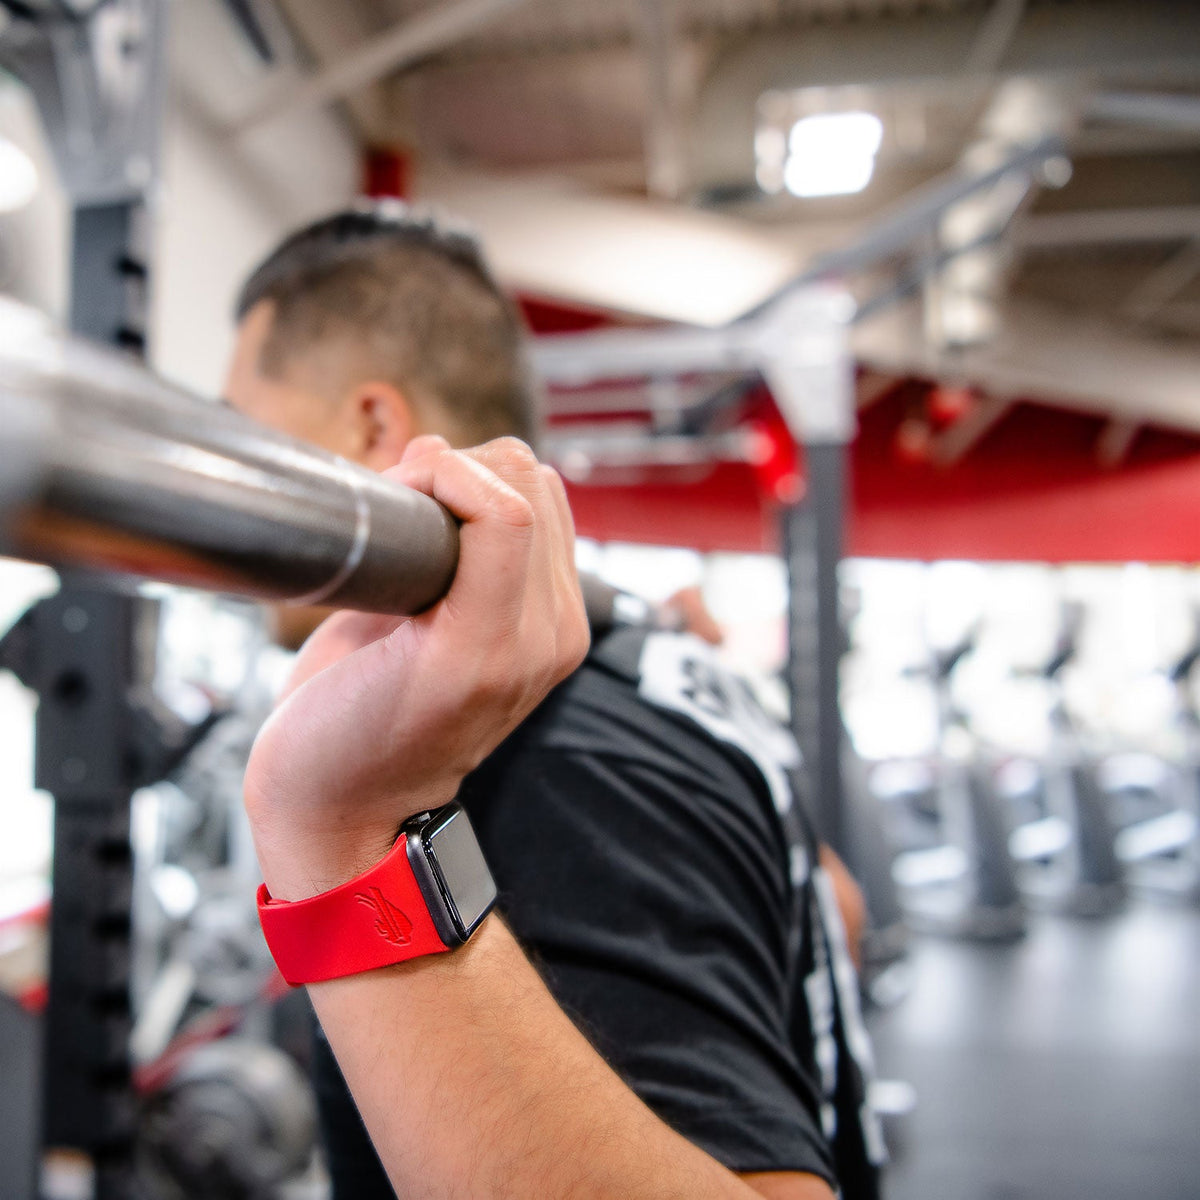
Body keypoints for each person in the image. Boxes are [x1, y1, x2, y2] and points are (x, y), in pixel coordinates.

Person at [225, 204, 883, 1199]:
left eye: (248, 433)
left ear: (373, 425)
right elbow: (836, 901)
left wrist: (342, 833)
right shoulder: (651, 668)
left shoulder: (553, 760)